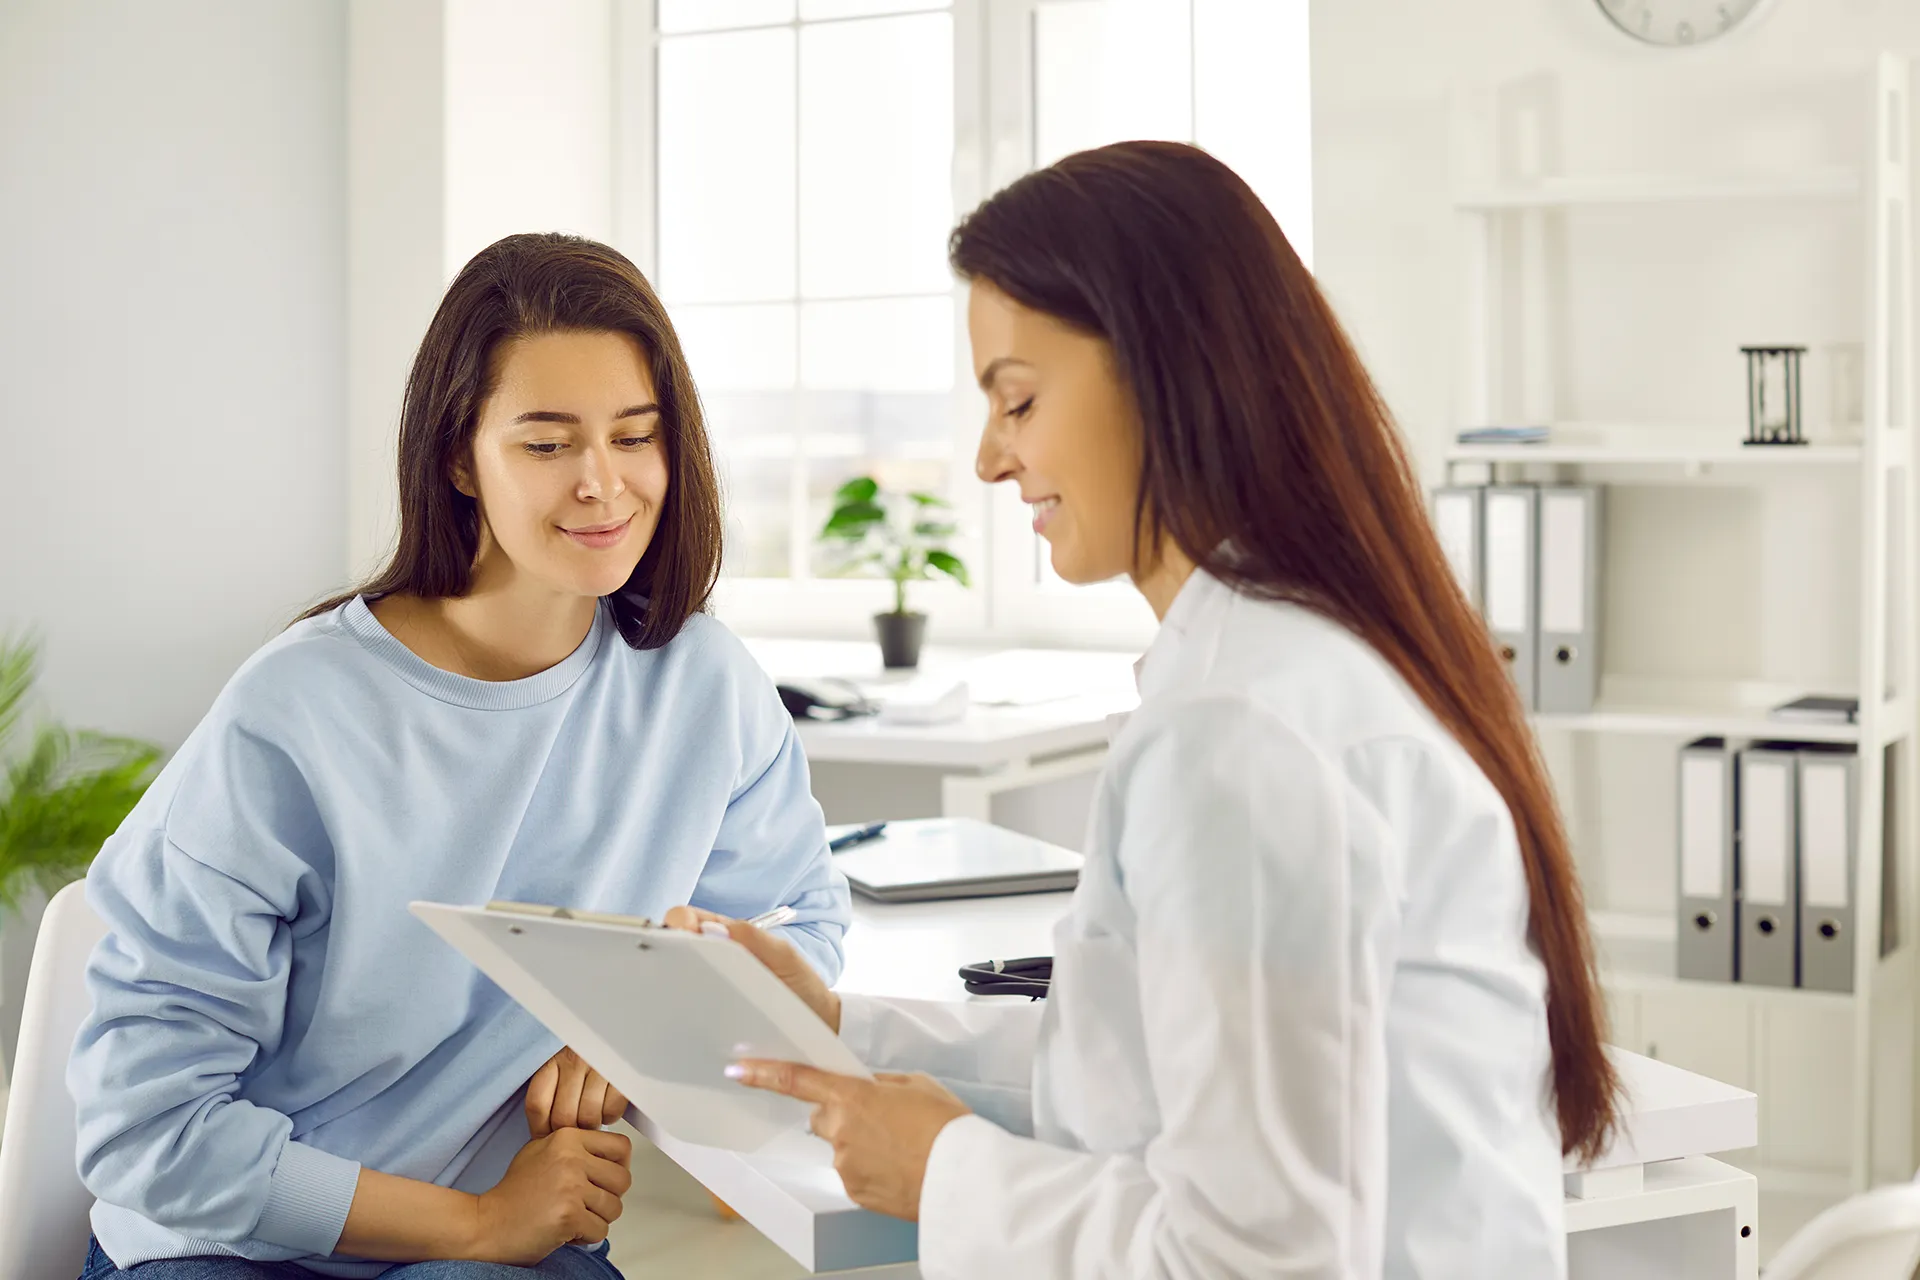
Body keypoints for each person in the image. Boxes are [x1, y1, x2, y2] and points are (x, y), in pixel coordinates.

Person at [671, 142, 1619, 1278]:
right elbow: (1137, 1070)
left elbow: (1261, 1259)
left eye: (1016, 398)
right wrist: (840, 1026)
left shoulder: (1243, 726)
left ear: (1170, 368)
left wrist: (948, 1175)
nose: (988, 456)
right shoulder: (1295, 661)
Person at [68, 233, 851, 1279]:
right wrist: (478, 1223)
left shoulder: (701, 683)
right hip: (234, 1244)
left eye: (636, 435)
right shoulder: (294, 713)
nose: (602, 483)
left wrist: (645, 1014)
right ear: (457, 456)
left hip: (502, 1245)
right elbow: (145, 1124)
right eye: (546, 443)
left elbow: (802, 923)